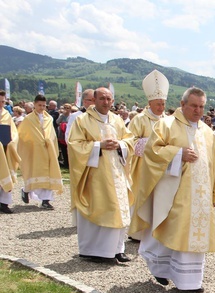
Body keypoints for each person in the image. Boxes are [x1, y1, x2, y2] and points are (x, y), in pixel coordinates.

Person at [129, 87, 215, 292]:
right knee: (173, 230)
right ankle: (162, 270)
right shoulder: (166, 125)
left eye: (201, 106)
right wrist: (177, 154)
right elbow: (152, 152)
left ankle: (190, 282)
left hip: (201, 196)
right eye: (193, 106)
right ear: (182, 105)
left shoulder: (207, 132)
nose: (198, 111)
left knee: (195, 234)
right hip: (174, 192)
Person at [67, 87, 134, 263]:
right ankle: (96, 250)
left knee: (119, 209)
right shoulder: (83, 120)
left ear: (112, 101)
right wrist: (98, 146)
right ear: (94, 100)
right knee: (103, 208)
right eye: (102, 98)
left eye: (109, 99)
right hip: (96, 174)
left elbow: (129, 140)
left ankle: (117, 249)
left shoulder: (117, 120)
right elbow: (74, 145)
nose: (106, 102)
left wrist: (120, 145)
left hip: (117, 173)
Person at [17, 94, 63, 210]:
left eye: (43, 105)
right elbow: (23, 135)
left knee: (48, 174)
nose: (42, 108)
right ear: (34, 105)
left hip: (47, 150)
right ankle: (26, 190)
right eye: (39, 105)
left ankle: (46, 200)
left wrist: (50, 143)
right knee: (35, 173)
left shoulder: (49, 118)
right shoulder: (28, 119)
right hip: (34, 151)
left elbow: (51, 134)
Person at [128, 70, 169, 200]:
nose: (161, 107)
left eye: (163, 104)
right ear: (150, 103)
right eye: (158, 104)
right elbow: (129, 141)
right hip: (142, 168)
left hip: (163, 168)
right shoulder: (139, 119)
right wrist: (151, 144)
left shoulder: (168, 121)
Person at [0, 90, 20, 214]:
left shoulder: (7, 114)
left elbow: (13, 131)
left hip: (6, 150)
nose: (1, 104)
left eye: (2, 101)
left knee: (6, 175)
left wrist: (12, 141)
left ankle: (4, 203)